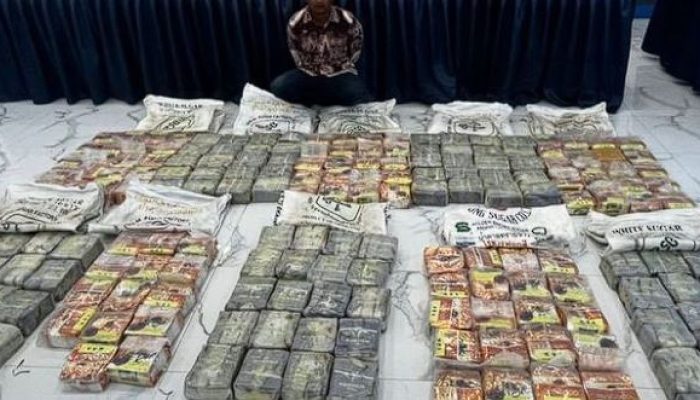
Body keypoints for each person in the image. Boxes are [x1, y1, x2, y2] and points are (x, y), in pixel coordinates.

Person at [270, 0, 372, 106]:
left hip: (340, 75)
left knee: (361, 97)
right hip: (308, 75)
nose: (319, 1)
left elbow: (355, 52)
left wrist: (336, 68)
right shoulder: (295, 22)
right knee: (278, 86)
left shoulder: (348, 21)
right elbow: (296, 54)